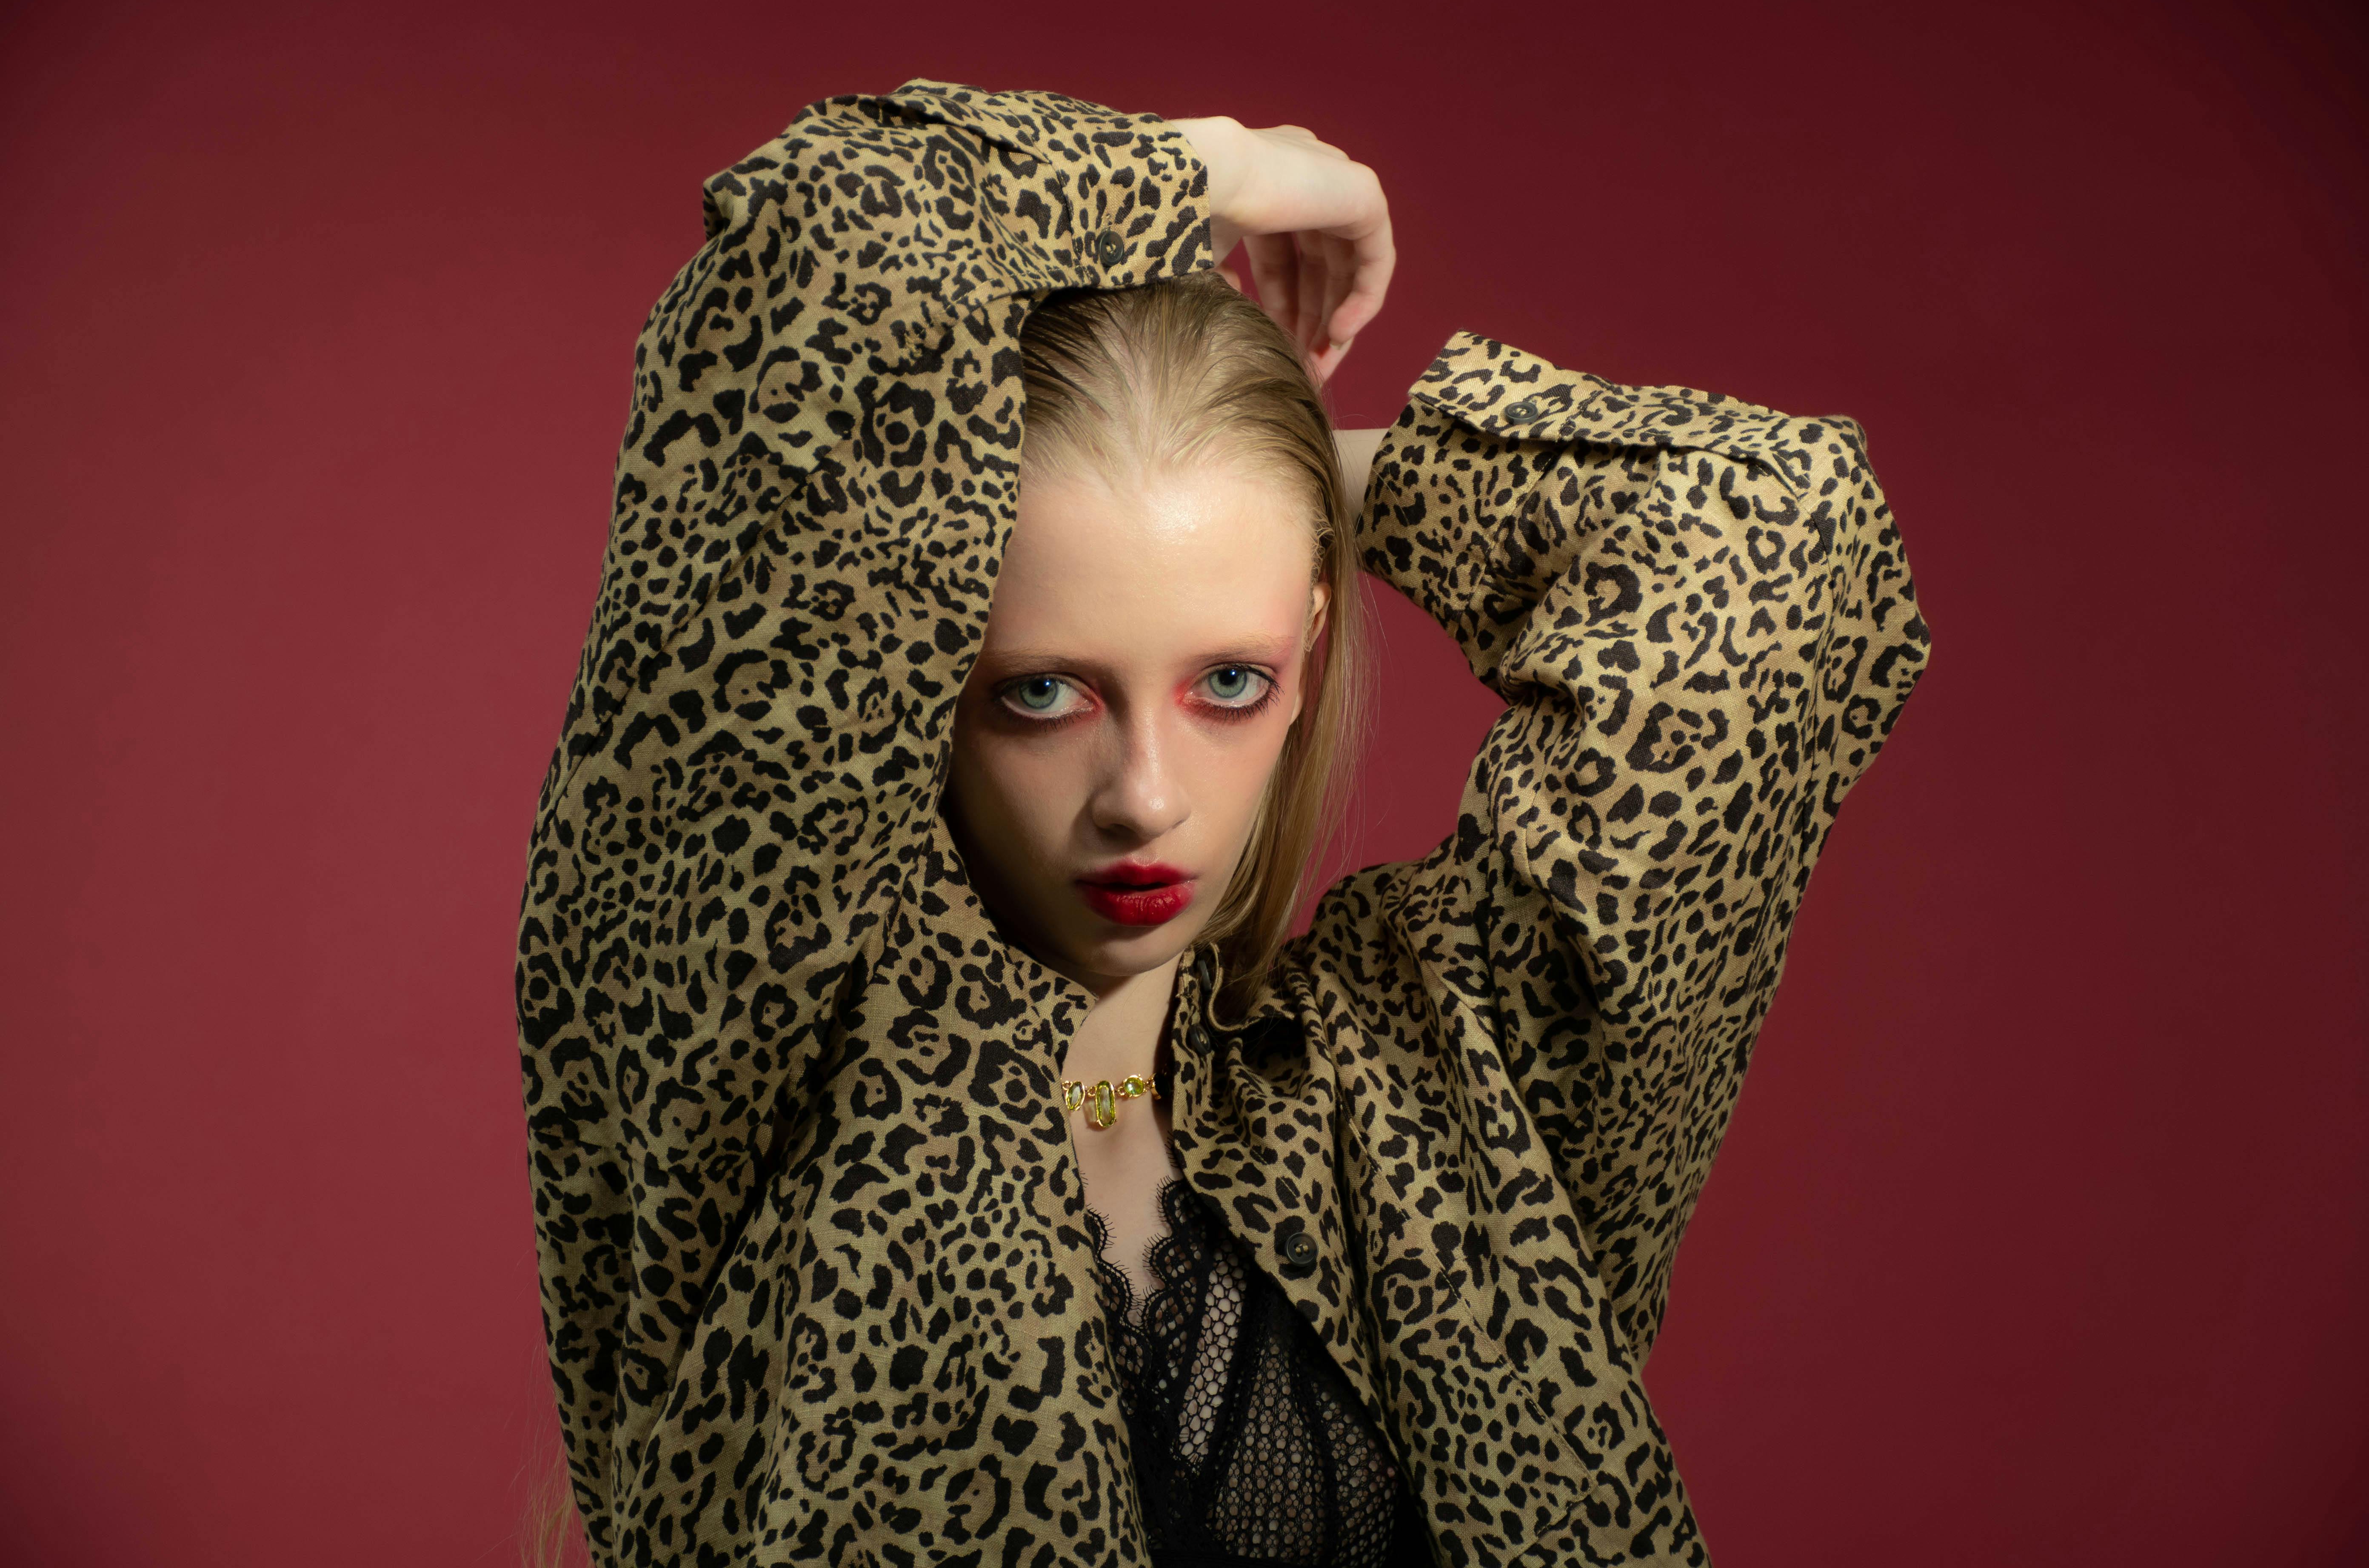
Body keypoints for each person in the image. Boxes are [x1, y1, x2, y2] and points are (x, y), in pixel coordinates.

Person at [514, 77, 1929, 1568]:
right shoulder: (746, 1061)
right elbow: (831, 228)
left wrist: (1277, 483)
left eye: (1228, 680)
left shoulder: (1440, 1097)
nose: (1147, 795)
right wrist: (1220, 165)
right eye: (1045, 691)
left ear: (1308, 649)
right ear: (921, 665)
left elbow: (1784, 531)